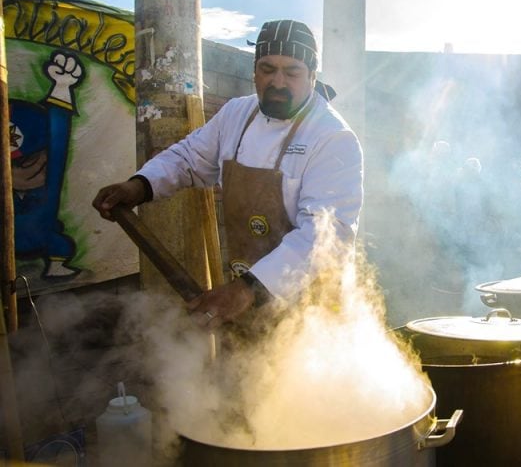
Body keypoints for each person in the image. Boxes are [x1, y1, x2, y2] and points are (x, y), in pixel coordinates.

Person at [92, 20, 364, 328]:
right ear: (254, 71)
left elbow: (324, 235)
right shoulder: (237, 113)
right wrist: (140, 186)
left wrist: (249, 288)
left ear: (312, 76)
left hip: (312, 312)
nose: (277, 82)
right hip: (246, 293)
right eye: (267, 68)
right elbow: (189, 157)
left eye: (292, 72)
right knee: (247, 372)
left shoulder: (332, 137)